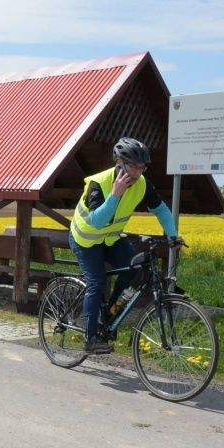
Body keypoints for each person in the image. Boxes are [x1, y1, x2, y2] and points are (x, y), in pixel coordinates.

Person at [69, 137, 183, 355]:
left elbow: (160, 209)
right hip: (86, 239)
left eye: (142, 167)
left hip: (110, 239)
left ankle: (109, 314)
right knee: (97, 282)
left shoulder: (142, 184)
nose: (138, 172)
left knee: (134, 270)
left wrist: (173, 235)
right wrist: (115, 195)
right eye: (133, 166)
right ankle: (90, 337)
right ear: (119, 162)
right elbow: (97, 221)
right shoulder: (98, 184)